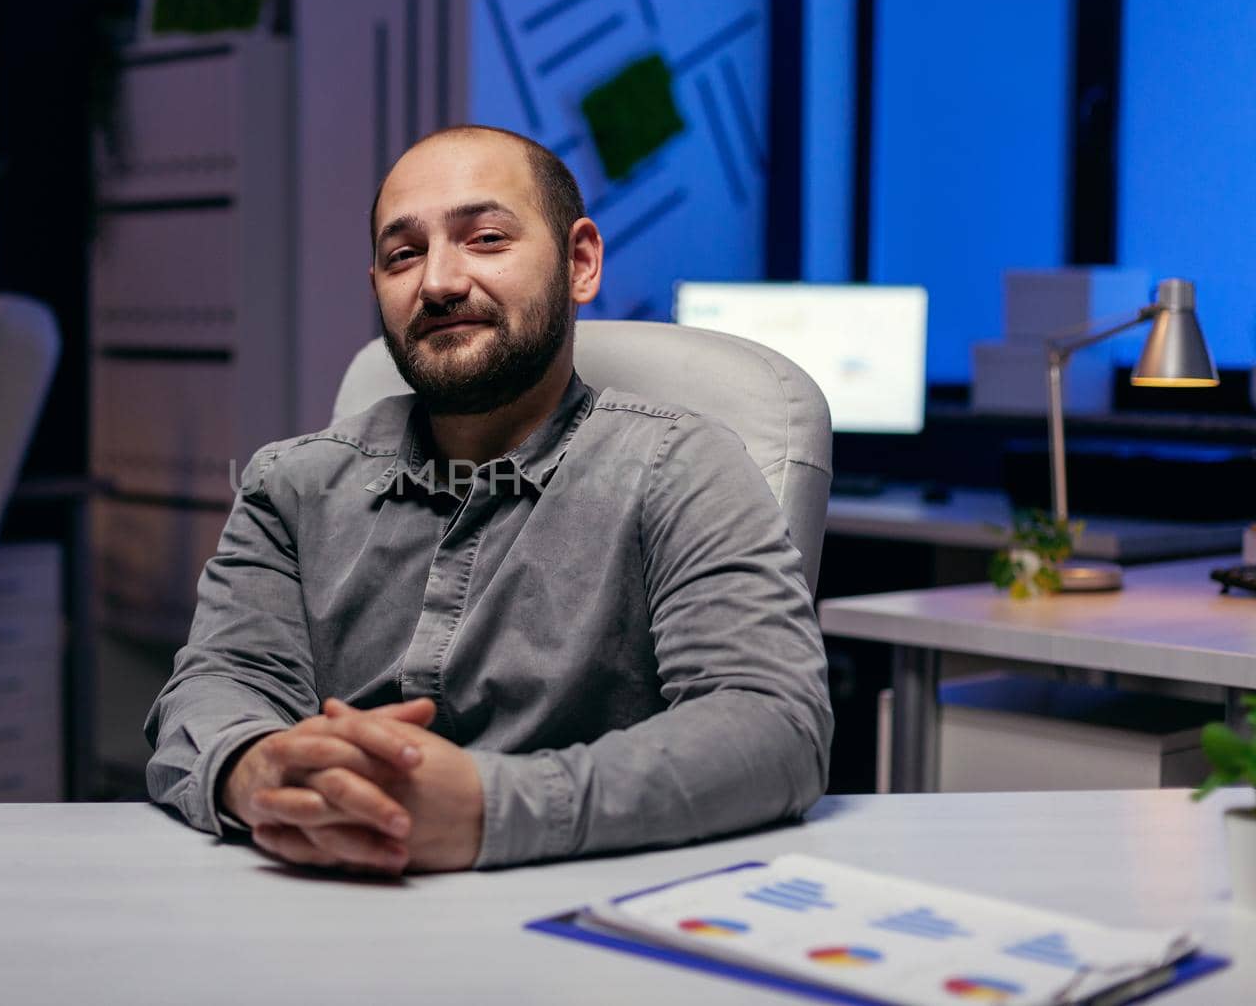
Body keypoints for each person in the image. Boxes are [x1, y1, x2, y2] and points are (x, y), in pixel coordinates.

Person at [145, 125, 832, 874]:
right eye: (404, 254)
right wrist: (258, 770)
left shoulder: (679, 467)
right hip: (325, 909)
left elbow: (773, 725)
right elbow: (218, 684)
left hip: (587, 923)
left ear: (580, 262)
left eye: (486, 238)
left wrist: (488, 807)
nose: (438, 281)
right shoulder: (292, 485)